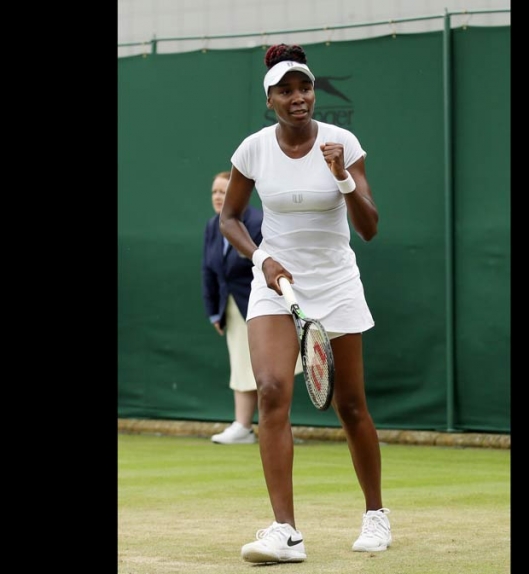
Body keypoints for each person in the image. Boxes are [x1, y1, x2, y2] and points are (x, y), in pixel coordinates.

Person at [219, 44, 390, 564]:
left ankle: (376, 514)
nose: (299, 98)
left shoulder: (343, 142)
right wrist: (263, 257)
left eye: (305, 88)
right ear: (269, 98)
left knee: (352, 405)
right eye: (286, 91)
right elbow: (230, 219)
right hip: (275, 282)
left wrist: (341, 176)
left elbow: (369, 227)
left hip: (335, 282)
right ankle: (285, 531)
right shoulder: (252, 149)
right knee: (272, 391)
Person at [203, 171, 264, 444]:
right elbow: (210, 271)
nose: (218, 197)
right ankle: (243, 427)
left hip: (262, 307)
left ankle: (266, 426)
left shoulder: (258, 222)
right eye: (214, 192)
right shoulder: (211, 226)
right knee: (242, 367)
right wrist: (214, 311)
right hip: (231, 309)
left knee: (267, 371)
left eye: (223, 191)